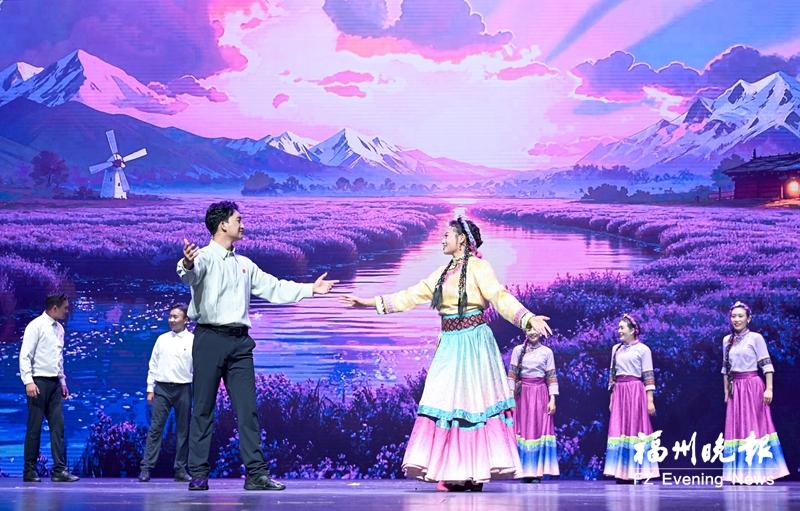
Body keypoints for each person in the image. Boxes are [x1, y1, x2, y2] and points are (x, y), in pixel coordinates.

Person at [343, 214, 552, 492]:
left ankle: (474, 473)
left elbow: (499, 297)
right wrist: (368, 303)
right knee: (445, 403)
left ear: (461, 239)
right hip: (450, 344)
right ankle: (456, 471)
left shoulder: (478, 267)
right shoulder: (442, 273)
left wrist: (527, 318)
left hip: (474, 343)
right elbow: (409, 295)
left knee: (473, 404)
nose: (442, 240)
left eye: (447, 235)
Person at [178, 201, 337, 491]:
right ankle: (198, 473)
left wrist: (310, 290)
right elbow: (190, 272)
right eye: (238, 220)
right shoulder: (203, 258)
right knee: (202, 408)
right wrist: (187, 262)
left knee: (247, 410)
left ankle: (256, 474)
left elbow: (274, 287)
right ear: (222, 225)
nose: (243, 224)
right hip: (209, 339)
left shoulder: (245, 264)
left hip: (240, 343)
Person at [721, 301, 789, 484]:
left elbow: (767, 365)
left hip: (752, 387)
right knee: (737, 428)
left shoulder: (756, 338)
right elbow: (725, 369)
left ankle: (758, 473)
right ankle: (739, 473)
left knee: (754, 427)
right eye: (733, 316)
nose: (736, 319)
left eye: (740, 316)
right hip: (736, 388)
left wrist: (769, 388)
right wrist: (726, 391)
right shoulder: (727, 340)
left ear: (748, 319)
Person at [18, 294, 79, 483]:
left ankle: (59, 470)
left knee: (58, 428)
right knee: (34, 428)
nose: (67, 311)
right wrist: (28, 381)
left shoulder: (60, 329)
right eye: (65, 308)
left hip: (54, 384)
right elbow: (25, 355)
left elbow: (58, 358)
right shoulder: (35, 326)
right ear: (54, 308)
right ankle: (29, 470)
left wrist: (62, 382)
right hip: (38, 382)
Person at [138, 304, 194, 483]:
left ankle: (180, 469)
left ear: (185, 319)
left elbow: (198, 367)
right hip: (162, 389)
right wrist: (150, 389)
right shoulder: (162, 339)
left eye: (175, 317)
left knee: (183, 430)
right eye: (170, 316)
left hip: (183, 388)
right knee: (155, 429)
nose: (171, 320)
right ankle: (146, 468)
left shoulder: (193, 340)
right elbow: (153, 364)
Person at [603, 314, 659, 483]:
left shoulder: (643, 349)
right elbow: (612, 375)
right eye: (618, 328)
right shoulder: (616, 349)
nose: (619, 331)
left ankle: (638, 471)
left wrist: (650, 400)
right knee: (620, 428)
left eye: (622, 328)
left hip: (635, 391)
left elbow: (648, 376)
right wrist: (612, 398)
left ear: (633, 330)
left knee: (635, 427)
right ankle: (621, 472)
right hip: (620, 391)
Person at [507, 331, 559, 482]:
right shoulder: (518, 350)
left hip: (540, 394)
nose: (532, 332)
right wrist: (510, 396)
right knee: (523, 429)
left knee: (537, 430)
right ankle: (522, 470)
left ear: (540, 332)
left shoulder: (547, 352)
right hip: (522, 395)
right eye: (529, 329)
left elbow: (551, 377)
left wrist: (552, 399)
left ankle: (536, 471)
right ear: (525, 331)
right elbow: (512, 376)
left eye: (535, 329)